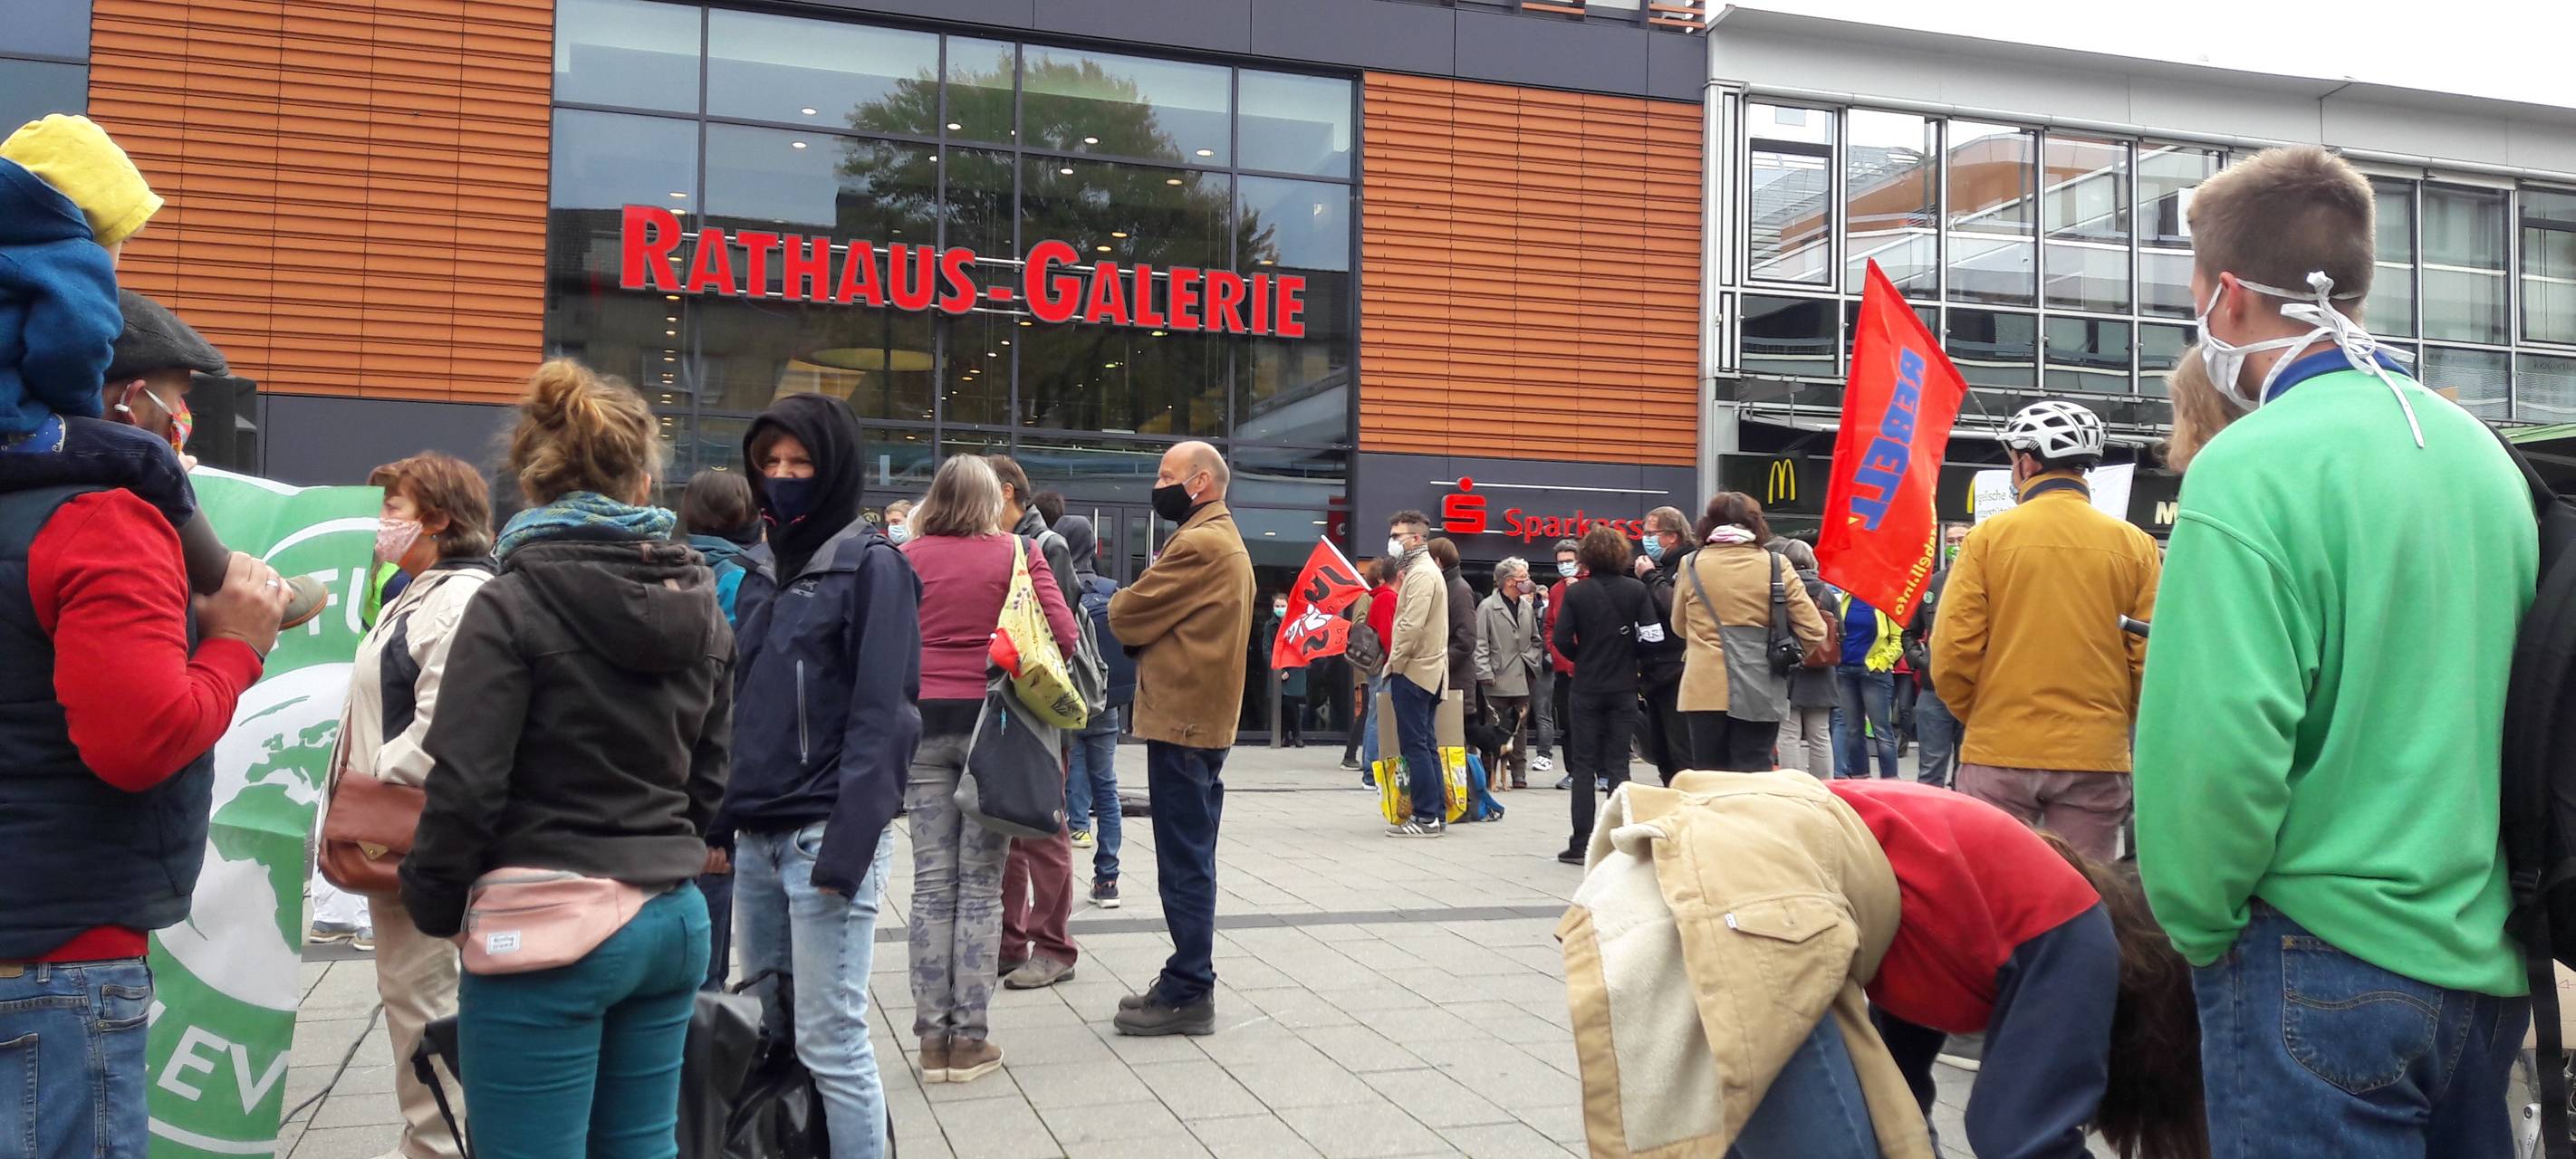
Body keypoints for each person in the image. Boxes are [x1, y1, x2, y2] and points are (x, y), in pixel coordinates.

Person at [2137, 146, 2534, 1156]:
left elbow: (2215, 748)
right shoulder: (2481, 456)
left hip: (2308, 961)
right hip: (2481, 967)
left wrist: (2197, 922)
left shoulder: (2246, 468)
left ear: (2225, 295)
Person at [0, 134, 290, 1157]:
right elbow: (138, 737)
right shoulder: (103, 517)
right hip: (56, 962)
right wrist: (237, 644)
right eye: (181, 395)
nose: (187, 419)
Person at [400, 360, 730, 1159]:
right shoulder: (702, 603)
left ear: (532, 481)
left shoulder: (509, 604)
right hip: (669, 919)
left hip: (547, 927)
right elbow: (710, 779)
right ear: (643, 481)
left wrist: (436, 904)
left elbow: (468, 785)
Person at [1560, 771, 2205, 1159]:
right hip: (1748, 892)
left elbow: (1898, 1082)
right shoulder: (2074, 930)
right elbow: (2021, 1137)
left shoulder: (1980, 907)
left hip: (1678, 873)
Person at [722, 393, 919, 1155]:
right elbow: (737, 703)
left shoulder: (873, 567)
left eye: (800, 461)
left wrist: (851, 841)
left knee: (833, 1041)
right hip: (755, 839)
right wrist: (719, 817)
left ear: (833, 466)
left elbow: (887, 714)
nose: (782, 475)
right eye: (769, 461)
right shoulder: (762, 567)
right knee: (770, 1036)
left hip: (820, 840)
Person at [328, 452, 495, 1159]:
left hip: (416, 840)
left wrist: (372, 782)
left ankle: (439, 1147)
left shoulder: (455, 597)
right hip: (402, 837)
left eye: (391, 509)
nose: (379, 523)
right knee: (419, 1013)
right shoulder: (417, 588)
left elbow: (444, 725)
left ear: (438, 518)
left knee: (428, 1014)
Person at [901, 455, 1081, 1080]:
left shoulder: (905, 557)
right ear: (989, 499)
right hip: (991, 729)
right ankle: (969, 1040)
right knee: (980, 884)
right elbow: (1064, 635)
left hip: (920, 725)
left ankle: (930, 1040)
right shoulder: (1015, 553)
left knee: (930, 884)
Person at [1930, 398, 2158, 861]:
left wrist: (1981, 715)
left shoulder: (1988, 539)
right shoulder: (2136, 545)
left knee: (1993, 896)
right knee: (2084, 895)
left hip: (2001, 747)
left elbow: (1953, 650)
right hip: (2096, 752)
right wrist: (2115, 719)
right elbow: (2149, 656)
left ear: (2027, 461)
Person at [1107, 440, 1254, 1035]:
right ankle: (1186, 977)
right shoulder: (1222, 537)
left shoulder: (1199, 542)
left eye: (1166, 475)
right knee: (1191, 851)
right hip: (1200, 719)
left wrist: (1128, 601)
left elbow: (1126, 613)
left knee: (1185, 858)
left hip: (1185, 721)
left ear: (1200, 482)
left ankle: (1190, 987)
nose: (1157, 484)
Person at [986, 454, 1082, 991]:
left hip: (1039, 708)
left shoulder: (1046, 546)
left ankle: (1054, 946)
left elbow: (1058, 635)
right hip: (1007, 706)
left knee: (1044, 827)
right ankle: (1010, 941)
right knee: (1009, 828)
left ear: (1005, 492)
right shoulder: (1000, 544)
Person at [1669, 493, 1826, 771]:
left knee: (1709, 777)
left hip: (1704, 688)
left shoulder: (1691, 564)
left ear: (1708, 523)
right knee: (1754, 775)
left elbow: (1679, 626)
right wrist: (1788, 655)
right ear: (1756, 523)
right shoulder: (1777, 564)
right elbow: (1814, 630)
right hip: (1761, 685)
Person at [676, 467, 759, 990]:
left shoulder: (655, 566)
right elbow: (733, 698)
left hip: (647, 776)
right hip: (710, 776)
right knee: (712, 884)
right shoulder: (741, 579)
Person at [1550, 524, 1649, 865]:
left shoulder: (1577, 593)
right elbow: (1653, 636)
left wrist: (1584, 658)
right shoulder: (1636, 591)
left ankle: (1580, 843)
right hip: (1623, 686)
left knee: (1584, 765)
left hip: (1586, 687)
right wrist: (1630, 655)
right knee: (1618, 765)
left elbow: (1561, 639)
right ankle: (1619, 839)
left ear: (1586, 557)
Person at [1054, 512, 1125, 906]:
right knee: (1107, 786)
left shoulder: (1051, 584)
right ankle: (1107, 879)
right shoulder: (1112, 590)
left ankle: (1054, 887)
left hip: (1061, 702)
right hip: (1104, 702)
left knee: (1059, 786)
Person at [1380, 510, 1450, 838]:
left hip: (1415, 670)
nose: (1393, 542)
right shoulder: (1425, 571)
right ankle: (1436, 813)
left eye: (1398, 536)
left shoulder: (1421, 574)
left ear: (1417, 539)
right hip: (1428, 669)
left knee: (1415, 746)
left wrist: (1394, 662)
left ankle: (1426, 817)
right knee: (1426, 743)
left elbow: (1411, 624)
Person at [1629, 506, 1695, 784]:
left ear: (1671, 536)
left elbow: (1675, 606)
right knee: (1661, 752)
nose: (1646, 539)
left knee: (1681, 753)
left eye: (1651, 533)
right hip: (1655, 672)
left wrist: (1649, 577)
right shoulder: (1664, 567)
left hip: (1678, 671)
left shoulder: (1689, 564)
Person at [1900, 525, 1969, 790]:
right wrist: (1922, 661)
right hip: (1934, 690)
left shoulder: (1988, 582)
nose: (1956, 544)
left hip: (1973, 691)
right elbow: (1909, 632)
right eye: (1951, 540)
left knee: (1969, 773)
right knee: (1930, 771)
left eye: (1962, 539)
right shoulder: (1932, 584)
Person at [1474, 557, 1544, 790]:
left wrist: (1532, 660)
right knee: (1493, 726)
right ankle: (1489, 775)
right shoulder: (1487, 607)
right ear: (1509, 581)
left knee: (1520, 727)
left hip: (1523, 675)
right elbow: (1480, 642)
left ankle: (1519, 773)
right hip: (1496, 676)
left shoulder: (1525, 606)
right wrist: (1484, 671)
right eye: (1523, 578)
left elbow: (1536, 639)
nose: (1527, 581)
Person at [1772, 538, 1841, 779]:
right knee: (1820, 735)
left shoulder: (1781, 589)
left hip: (1789, 667)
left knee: (1789, 733)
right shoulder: (1827, 592)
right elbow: (1840, 632)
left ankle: (1793, 785)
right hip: (1822, 672)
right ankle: (1825, 785)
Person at [1832, 590, 1901, 780]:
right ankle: (1860, 777)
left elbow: (1898, 640)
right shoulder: (1846, 597)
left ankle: (1890, 781)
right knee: (1853, 730)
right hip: (1845, 670)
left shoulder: (1887, 600)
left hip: (1874, 672)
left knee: (1881, 730)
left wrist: (1882, 662)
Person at [1354, 557, 1397, 787]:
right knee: (1378, 717)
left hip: (1377, 664)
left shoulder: (1376, 597)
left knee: (1375, 715)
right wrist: (1396, 660)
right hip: (1383, 664)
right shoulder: (1385, 598)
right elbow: (1387, 635)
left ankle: (1371, 768)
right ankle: (1371, 770)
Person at [1543, 537, 1581, 790]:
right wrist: (1555, 652)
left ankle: (1600, 771)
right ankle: (1573, 772)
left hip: (1588, 667)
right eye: (1560, 562)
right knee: (1568, 723)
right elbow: (1549, 627)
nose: (1564, 566)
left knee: (1593, 723)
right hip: (1564, 668)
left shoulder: (1588, 585)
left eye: (1569, 561)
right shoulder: (1556, 590)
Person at [1257, 591, 1309, 746]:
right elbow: (1267, 649)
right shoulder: (1269, 626)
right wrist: (1277, 669)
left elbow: (1299, 647)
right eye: (1277, 606)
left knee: (1292, 704)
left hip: (1294, 670)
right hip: (1277, 670)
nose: (1280, 609)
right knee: (1280, 704)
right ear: (1273, 607)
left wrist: (1289, 669)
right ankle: (1284, 735)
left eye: (1283, 606)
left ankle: (1296, 735)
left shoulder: (1296, 623)